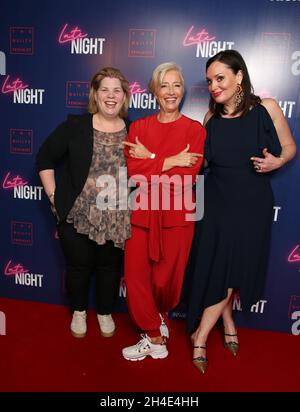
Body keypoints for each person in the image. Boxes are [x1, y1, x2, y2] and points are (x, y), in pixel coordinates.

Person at [182, 50, 297, 373]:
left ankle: (200, 334)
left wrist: (278, 161)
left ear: (239, 76)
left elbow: (289, 148)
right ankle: (228, 319)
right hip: (215, 203)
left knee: (236, 263)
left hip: (251, 204)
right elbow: (202, 164)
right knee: (220, 266)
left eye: (220, 78)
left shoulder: (266, 109)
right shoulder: (210, 120)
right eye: (209, 81)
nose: (214, 86)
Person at [36, 67, 131, 338]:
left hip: (116, 217)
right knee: (78, 267)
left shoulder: (136, 131)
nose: (111, 96)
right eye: (105, 90)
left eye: (117, 90)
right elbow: (44, 158)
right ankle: (79, 311)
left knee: (109, 269)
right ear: (95, 94)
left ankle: (104, 312)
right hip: (77, 214)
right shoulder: (75, 126)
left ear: (124, 96)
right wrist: (54, 198)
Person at [121, 62, 206, 361]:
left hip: (177, 218)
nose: (171, 92)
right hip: (142, 214)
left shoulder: (195, 130)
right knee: (135, 277)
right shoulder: (139, 127)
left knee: (166, 283)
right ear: (154, 90)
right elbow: (134, 173)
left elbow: (186, 178)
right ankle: (154, 336)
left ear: (183, 90)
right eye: (164, 85)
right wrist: (170, 161)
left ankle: (158, 317)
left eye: (176, 85)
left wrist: (153, 159)